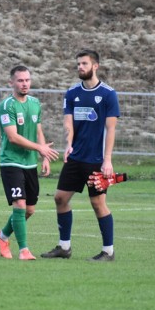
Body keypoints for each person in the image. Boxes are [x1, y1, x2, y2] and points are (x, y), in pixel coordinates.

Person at [40, 49, 120, 261]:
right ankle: (64, 248)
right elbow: (68, 121)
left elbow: (111, 129)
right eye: (78, 64)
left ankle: (108, 252)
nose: (80, 67)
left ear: (95, 66)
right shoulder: (72, 92)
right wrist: (68, 144)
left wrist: (108, 160)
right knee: (60, 198)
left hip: (97, 162)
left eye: (84, 64)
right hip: (75, 158)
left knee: (98, 203)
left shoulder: (108, 94)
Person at [0, 65, 59, 260]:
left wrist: (44, 156)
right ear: (11, 82)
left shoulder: (35, 103)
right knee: (19, 205)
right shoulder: (7, 106)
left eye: (27, 80)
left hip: (30, 163)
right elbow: (12, 137)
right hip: (11, 162)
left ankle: (2, 236)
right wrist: (40, 148)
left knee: (29, 210)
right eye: (20, 80)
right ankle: (24, 250)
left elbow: (38, 131)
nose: (24, 84)